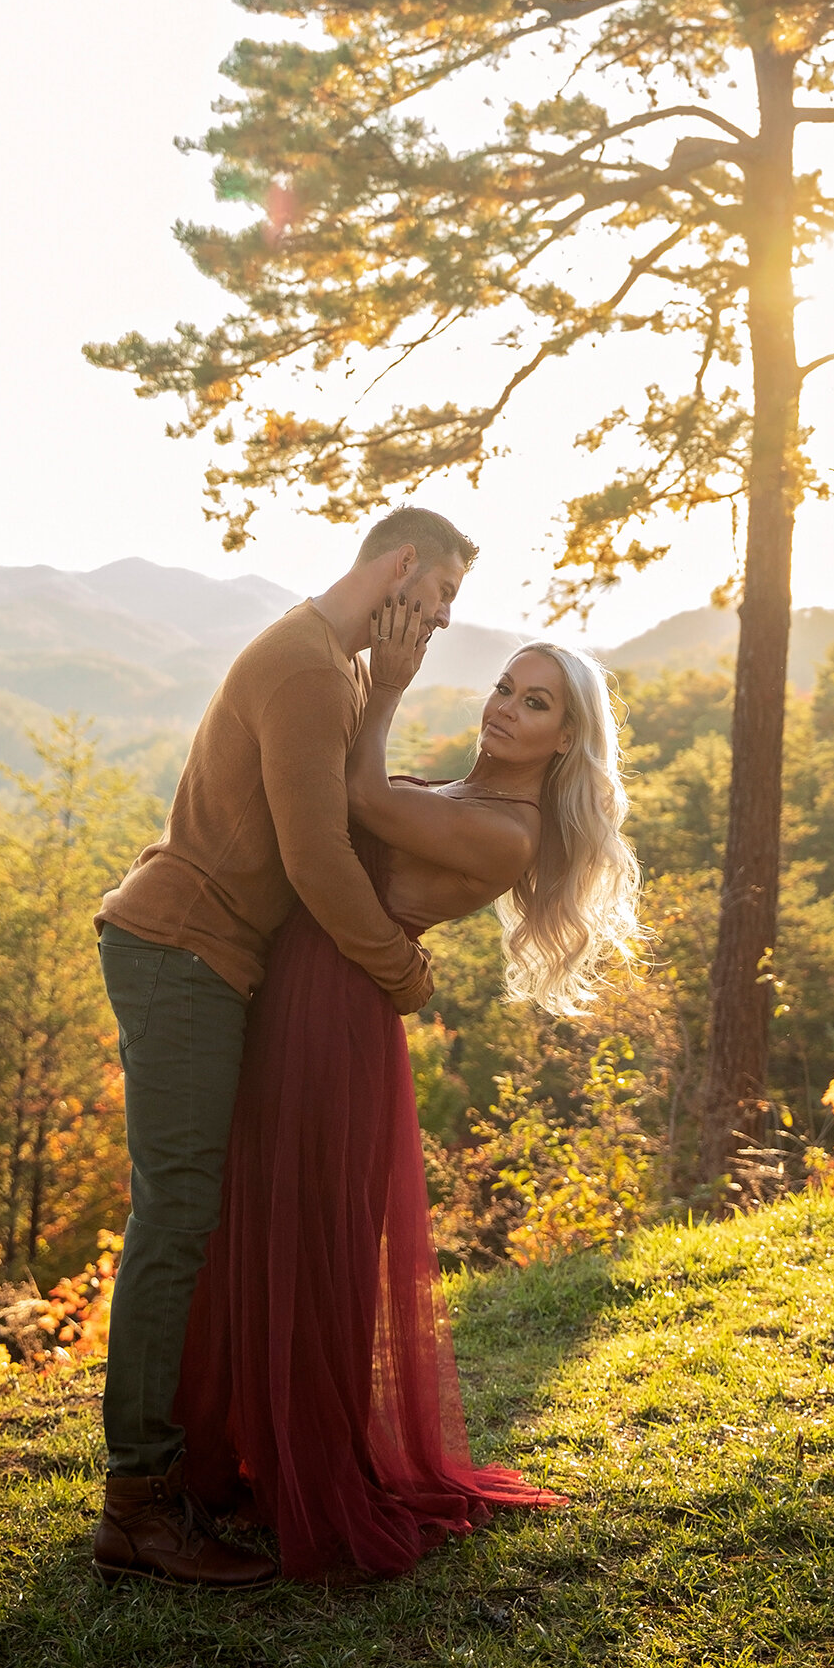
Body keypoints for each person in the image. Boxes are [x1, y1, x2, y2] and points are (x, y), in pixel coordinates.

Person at [173, 594, 642, 1579]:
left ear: (566, 742)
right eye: (508, 688)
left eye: (537, 705)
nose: (507, 708)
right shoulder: (469, 793)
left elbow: (356, 801)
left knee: (314, 1241)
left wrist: (383, 685)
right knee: (256, 1222)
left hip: (332, 1012)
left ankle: (317, 1469)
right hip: (303, 987)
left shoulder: (507, 832)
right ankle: (238, 1451)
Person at [90, 507, 475, 1589]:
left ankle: (190, 1469)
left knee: (197, 1215)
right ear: (400, 567)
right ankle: (136, 1506)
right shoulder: (305, 667)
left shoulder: (335, 667)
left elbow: (356, 801)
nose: (442, 620)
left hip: (208, 962)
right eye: (440, 595)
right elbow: (318, 862)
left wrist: (390, 692)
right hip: (179, 953)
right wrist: (401, 975)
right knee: (175, 1217)